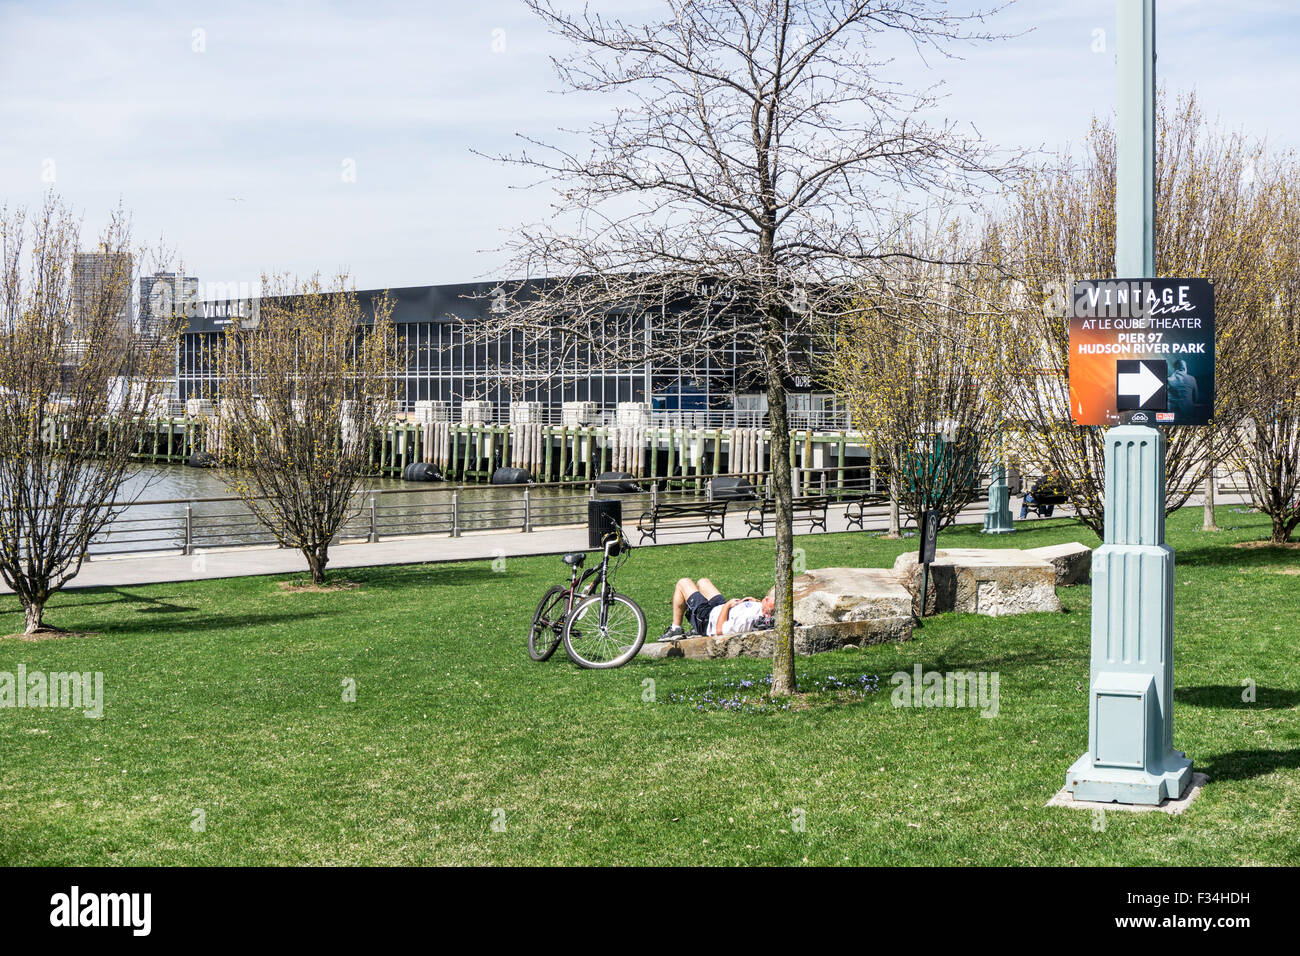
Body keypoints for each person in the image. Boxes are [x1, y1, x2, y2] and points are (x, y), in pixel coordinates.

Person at [660, 577, 776, 641]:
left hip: (708, 618)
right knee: (703, 582)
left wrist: (727, 606)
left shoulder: (746, 621)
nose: (765, 598)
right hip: (721, 609)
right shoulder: (761, 610)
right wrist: (753, 601)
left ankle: (676, 629)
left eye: (768, 600)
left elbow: (720, 630)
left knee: (683, 583)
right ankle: (692, 629)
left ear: (768, 613)